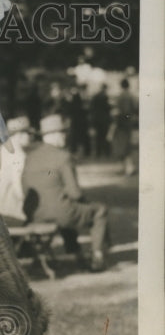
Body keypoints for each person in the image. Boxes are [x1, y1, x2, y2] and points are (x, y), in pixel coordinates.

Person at [22, 113, 110, 272]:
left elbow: (25, 188)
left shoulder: (30, 157)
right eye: (62, 132)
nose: (65, 136)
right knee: (99, 210)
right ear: (54, 135)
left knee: (66, 207)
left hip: (35, 214)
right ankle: (97, 257)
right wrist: (85, 202)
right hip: (62, 212)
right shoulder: (63, 157)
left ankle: (74, 253)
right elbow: (75, 193)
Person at [0, 115, 32, 224]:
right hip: (10, 215)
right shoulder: (18, 155)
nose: (30, 137)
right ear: (19, 135)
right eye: (28, 133)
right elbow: (19, 189)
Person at [109, 78, 138, 176]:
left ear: (121, 86)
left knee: (122, 146)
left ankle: (127, 167)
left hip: (121, 124)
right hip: (128, 123)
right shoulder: (132, 96)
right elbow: (135, 109)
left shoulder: (121, 96)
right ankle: (128, 167)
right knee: (126, 145)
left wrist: (118, 116)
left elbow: (121, 111)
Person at [88, 84, 111, 159]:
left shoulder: (95, 96)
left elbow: (92, 107)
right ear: (105, 88)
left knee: (98, 136)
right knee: (104, 136)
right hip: (104, 119)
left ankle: (98, 152)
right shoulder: (105, 97)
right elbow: (107, 108)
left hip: (96, 119)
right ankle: (106, 152)